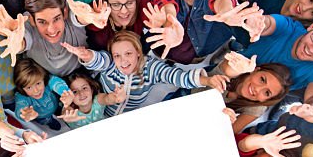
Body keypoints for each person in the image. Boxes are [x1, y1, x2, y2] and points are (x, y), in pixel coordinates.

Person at [63, 30, 227, 116]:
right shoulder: (110, 64)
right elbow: (98, 59)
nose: (123, 61)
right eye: (117, 56)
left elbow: (178, 77)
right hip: (103, 116)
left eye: (128, 54)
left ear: (138, 53)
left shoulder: (151, 68)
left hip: (130, 118)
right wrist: (87, 55)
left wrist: (208, 81)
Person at [237, 12, 313, 119]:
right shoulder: (287, 27)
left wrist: (312, 109)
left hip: (252, 98)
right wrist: (257, 23)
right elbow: (268, 23)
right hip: (232, 70)